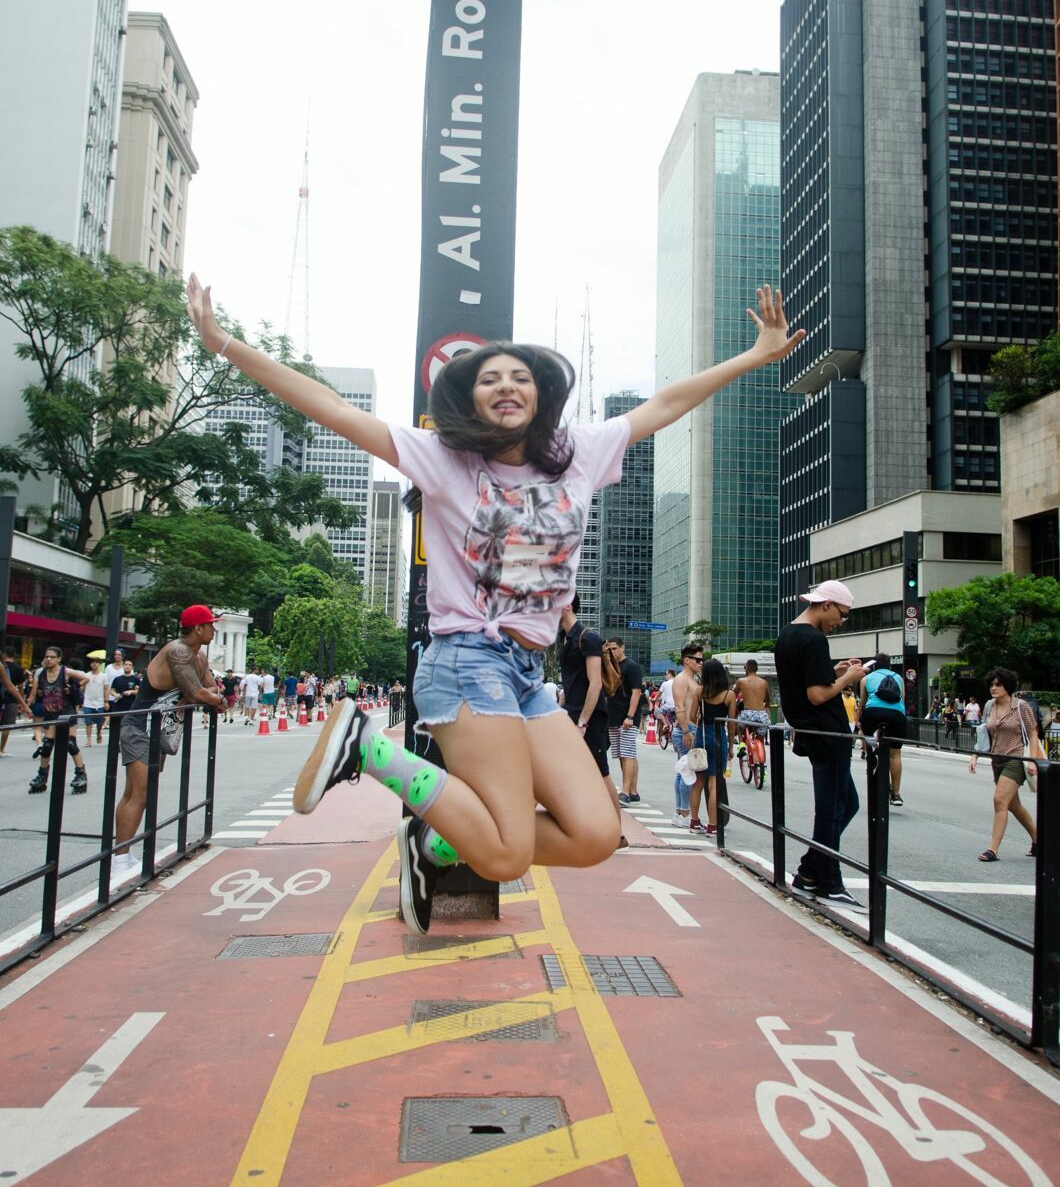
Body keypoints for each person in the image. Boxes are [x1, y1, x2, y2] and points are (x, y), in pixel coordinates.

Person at [187, 272, 803, 933]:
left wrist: (756, 353)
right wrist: (225, 345)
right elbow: (332, 410)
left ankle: (441, 839)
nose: (506, 385)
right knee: (507, 855)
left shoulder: (581, 455)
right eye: (488, 379)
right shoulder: (441, 459)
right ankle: (365, 747)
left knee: (598, 832)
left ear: (539, 395)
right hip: (466, 661)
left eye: (519, 377)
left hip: (526, 675)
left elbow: (666, 403)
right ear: (470, 402)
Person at [774, 579, 870, 906]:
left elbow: (803, 679)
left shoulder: (789, 633)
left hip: (812, 731)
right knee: (831, 809)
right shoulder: (814, 639)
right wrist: (847, 679)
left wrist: (832, 669)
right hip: (827, 732)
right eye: (841, 615)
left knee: (846, 803)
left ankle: (809, 871)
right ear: (826, 604)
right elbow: (816, 695)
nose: (841, 623)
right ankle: (828, 881)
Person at [114, 606, 226, 867]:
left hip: (158, 731)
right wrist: (209, 697)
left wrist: (203, 694)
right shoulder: (178, 651)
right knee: (136, 794)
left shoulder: (199, 658)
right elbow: (204, 694)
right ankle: (119, 860)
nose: (214, 629)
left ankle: (123, 855)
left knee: (141, 793)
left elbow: (208, 688)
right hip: (141, 727)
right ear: (198, 628)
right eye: (210, 624)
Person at [968, 667, 1043, 862]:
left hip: (1016, 759)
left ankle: (993, 849)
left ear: (1007, 686)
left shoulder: (1020, 706)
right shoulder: (989, 706)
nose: (994, 688)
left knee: (1000, 800)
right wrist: (976, 755)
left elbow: (1033, 733)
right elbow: (984, 732)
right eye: (991, 684)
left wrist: (1033, 760)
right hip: (997, 759)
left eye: (998, 684)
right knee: (1013, 805)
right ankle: (1038, 840)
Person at [558, 596, 616, 806]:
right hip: (571, 713)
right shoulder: (563, 638)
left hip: (591, 718)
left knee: (601, 772)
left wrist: (583, 722)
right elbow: (571, 682)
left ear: (566, 605)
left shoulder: (588, 638)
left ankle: (617, 834)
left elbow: (596, 684)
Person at [27, 647, 91, 795]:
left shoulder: (65, 672)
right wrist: (27, 706)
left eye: (52, 657)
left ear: (59, 658)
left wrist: (74, 687)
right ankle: (42, 776)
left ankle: (81, 775)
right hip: (51, 714)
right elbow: (34, 692)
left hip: (67, 713)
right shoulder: (41, 674)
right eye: (47, 656)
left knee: (70, 744)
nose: (48, 659)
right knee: (47, 745)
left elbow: (86, 678)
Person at [692, 657, 737, 835]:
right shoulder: (729, 695)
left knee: (698, 782)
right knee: (714, 783)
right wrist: (731, 747)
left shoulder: (699, 691)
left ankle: (694, 822)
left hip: (702, 738)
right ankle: (712, 825)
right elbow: (731, 724)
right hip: (719, 737)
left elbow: (691, 715)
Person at [858, 653, 908, 808]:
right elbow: (903, 700)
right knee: (895, 754)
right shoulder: (899, 678)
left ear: (874, 666)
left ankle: (871, 754)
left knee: (867, 735)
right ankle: (896, 793)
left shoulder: (866, 679)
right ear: (889, 666)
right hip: (897, 716)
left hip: (873, 714)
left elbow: (863, 702)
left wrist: (860, 722)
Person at [604, 637, 644, 804]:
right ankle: (633, 791)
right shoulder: (610, 666)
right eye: (609, 649)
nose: (612, 652)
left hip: (627, 716)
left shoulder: (631, 666)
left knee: (627, 753)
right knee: (624, 755)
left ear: (622, 648)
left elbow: (636, 692)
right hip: (613, 715)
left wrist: (630, 716)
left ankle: (626, 792)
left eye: (614, 648)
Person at [672, 643, 705, 829]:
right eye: (697, 659)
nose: (701, 663)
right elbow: (679, 706)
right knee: (687, 773)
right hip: (686, 730)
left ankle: (680, 812)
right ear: (687, 660)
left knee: (682, 772)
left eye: (702, 659)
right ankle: (684, 813)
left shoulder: (692, 679)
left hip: (689, 729)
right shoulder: (682, 679)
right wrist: (686, 730)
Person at [733, 659, 772, 764]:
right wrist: (766, 707)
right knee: (761, 740)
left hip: (747, 714)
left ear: (746, 668)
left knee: (739, 727)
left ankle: (741, 745)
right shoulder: (764, 682)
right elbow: (768, 700)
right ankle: (762, 765)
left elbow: (733, 695)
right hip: (762, 715)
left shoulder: (741, 681)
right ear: (757, 669)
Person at [0, 649, 32, 754]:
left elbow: (11, 687)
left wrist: (24, 705)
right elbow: (17, 687)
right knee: (7, 725)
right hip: (10, 700)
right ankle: (1, 749)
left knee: (7, 724)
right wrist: (23, 704)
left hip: (6, 699)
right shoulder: (16, 668)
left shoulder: (2, 667)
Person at [81, 659, 110, 745]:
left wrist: (106, 701)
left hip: (100, 703)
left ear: (99, 664)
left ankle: (98, 733)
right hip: (88, 702)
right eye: (92, 662)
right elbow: (82, 688)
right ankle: (88, 740)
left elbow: (106, 689)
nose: (94, 664)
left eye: (96, 662)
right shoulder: (86, 675)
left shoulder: (103, 676)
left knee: (99, 723)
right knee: (88, 722)